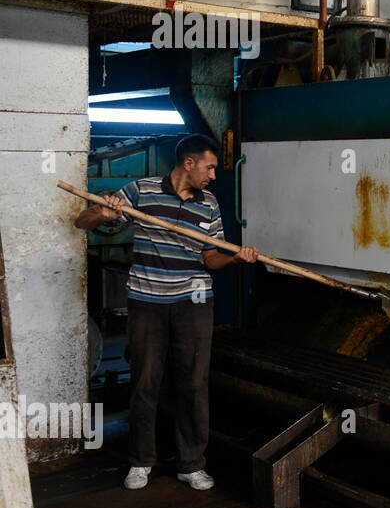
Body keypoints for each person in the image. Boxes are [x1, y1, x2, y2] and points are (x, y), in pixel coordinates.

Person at [74, 134, 258, 490]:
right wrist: (105, 212)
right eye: (209, 168)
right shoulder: (141, 190)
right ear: (188, 163)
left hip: (193, 303)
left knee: (192, 383)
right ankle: (141, 461)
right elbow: (83, 221)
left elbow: (210, 258)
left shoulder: (209, 204)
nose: (213, 176)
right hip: (146, 302)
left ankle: (192, 464)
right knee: (145, 382)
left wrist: (235, 257)